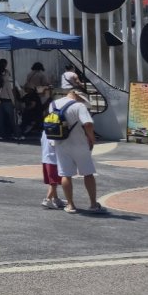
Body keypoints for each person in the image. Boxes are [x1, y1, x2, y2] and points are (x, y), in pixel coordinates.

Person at [50, 71, 106, 214]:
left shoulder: (54, 104)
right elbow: (88, 124)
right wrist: (92, 139)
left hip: (60, 143)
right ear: (77, 94)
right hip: (79, 143)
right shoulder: (79, 106)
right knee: (88, 173)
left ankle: (70, 205)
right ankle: (93, 204)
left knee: (65, 174)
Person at [0, 59, 17, 140]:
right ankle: (16, 134)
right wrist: (14, 102)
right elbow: (10, 92)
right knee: (12, 119)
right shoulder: (6, 81)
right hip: (7, 101)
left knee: (0, 120)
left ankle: (1, 134)